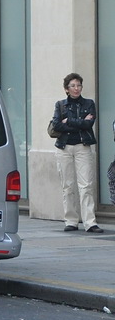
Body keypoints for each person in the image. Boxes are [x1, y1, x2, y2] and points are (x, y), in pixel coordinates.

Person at [52, 73, 103, 233]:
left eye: (79, 85)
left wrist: (70, 121)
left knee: (86, 185)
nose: (76, 88)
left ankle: (90, 222)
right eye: (73, 86)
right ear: (67, 89)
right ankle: (71, 221)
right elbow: (56, 125)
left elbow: (89, 124)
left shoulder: (89, 103)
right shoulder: (60, 104)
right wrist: (80, 122)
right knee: (67, 186)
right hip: (64, 147)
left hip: (83, 146)